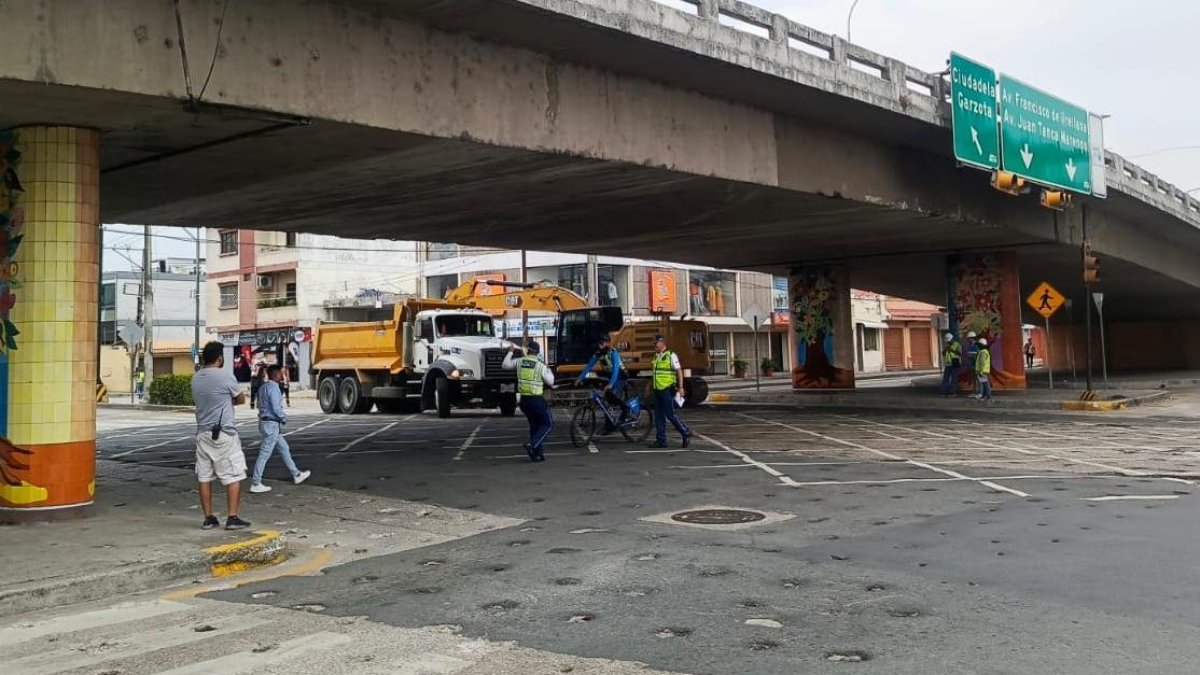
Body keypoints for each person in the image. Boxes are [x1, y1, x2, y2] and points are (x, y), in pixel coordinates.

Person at [191, 341, 251, 530]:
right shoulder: (225, 376)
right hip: (224, 433)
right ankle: (232, 517)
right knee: (234, 474)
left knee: (204, 475)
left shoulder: (196, 377)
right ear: (219, 358)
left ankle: (208, 518)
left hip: (202, 433)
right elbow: (240, 399)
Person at [249, 365, 311, 493]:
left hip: (264, 422)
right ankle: (255, 482)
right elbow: (276, 408)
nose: (283, 375)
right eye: (281, 373)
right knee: (264, 454)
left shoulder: (263, 387)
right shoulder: (275, 388)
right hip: (272, 424)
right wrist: (283, 417)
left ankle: (296, 474)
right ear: (276, 375)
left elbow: (260, 404)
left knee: (284, 448)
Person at [503, 341, 555, 462]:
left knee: (534, 426)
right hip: (536, 400)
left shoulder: (520, 361)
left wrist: (510, 351)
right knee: (548, 424)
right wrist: (548, 368)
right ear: (537, 352)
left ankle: (537, 454)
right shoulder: (540, 365)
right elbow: (551, 382)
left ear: (528, 350)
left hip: (524, 401)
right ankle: (533, 444)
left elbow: (505, 365)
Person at [576, 334, 631, 433]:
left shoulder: (613, 353)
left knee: (612, 396)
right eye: (599, 343)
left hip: (620, 376)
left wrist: (610, 384)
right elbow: (589, 366)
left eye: (602, 343)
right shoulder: (598, 353)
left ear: (607, 343)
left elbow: (616, 370)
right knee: (605, 401)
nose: (600, 346)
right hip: (610, 376)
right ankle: (609, 426)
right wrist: (580, 378)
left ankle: (625, 409)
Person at [645, 334, 691, 449]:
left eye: (655, 343)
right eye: (653, 343)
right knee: (659, 416)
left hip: (667, 389)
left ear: (662, 343)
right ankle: (661, 440)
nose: (654, 345)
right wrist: (649, 386)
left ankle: (685, 432)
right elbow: (655, 373)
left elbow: (679, 371)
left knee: (670, 414)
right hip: (657, 389)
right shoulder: (656, 356)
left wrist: (680, 387)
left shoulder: (671, 355)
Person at [938, 332, 963, 396]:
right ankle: (943, 391)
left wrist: (951, 350)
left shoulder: (957, 344)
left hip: (955, 362)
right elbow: (943, 354)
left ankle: (952, 392)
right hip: (948, 363)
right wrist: (945, 350)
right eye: (947, 341)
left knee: (953, 378)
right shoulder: (947, 345)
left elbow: (960, 353)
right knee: (945, 378)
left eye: (949, 341)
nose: (948, 342)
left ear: (952, 339)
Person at [964, 331, 979, 396]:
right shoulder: (970, 345)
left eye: (969, 338)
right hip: (971, 365)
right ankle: (974, 391)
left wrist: (969, 355)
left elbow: (976, 354)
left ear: (972, 338)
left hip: (976, 364)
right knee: (974, 379)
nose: (968, 340)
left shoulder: (976, 345)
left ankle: (978, 392)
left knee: (978, 379)